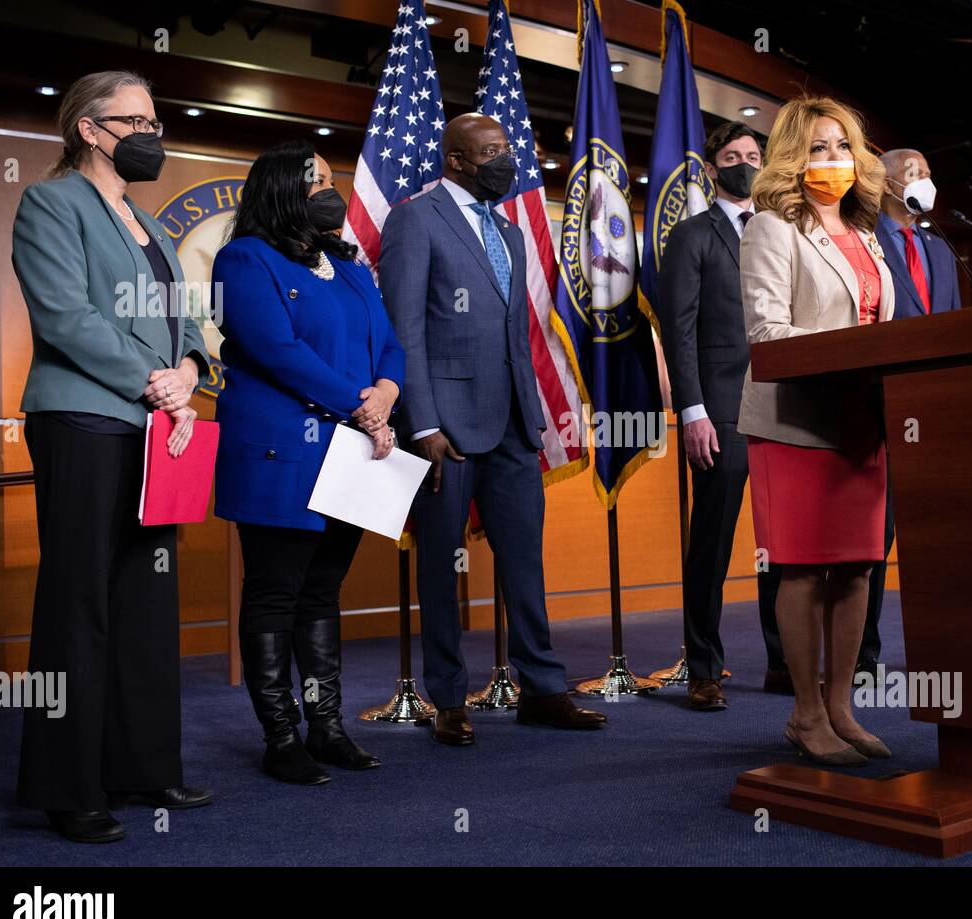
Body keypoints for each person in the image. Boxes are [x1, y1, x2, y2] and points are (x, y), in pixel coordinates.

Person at [11, 70, 212, 843]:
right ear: (89, 129)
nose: (150, 133)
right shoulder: (51, 203)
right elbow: (66, 315)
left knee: (143, 603)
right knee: (79, 606)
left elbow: (187, 324)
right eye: (134, 121)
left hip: (158, 431)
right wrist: (154, 382)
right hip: (85, 422)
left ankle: (143, 767)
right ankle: (70, 786)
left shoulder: (149, 222)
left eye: (155, 119)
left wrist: (189, 369)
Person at [378, 112, 607, 746]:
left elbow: (515, 334)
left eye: (507, 148)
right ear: (455, 159)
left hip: (513, 422)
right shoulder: (414, 219)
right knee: (440, 568)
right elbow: (405, 330)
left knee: (524, 562)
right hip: (444, 426)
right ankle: (448, 699)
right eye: (491, 152)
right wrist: (421, 419)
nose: (506, 161)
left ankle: (543, 688)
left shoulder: (508, 230)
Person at [212, 141, 404, 784]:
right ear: (277, 190)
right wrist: (361, 404)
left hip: (350, 450)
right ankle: (280, 736)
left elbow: (389, 343)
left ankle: (326, 728)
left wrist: (385, 391)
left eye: (330, 177)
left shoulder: (348, 265)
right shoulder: (245, 259)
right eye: (312, 180)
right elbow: (276, 350)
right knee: (275, 593)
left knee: (322, 595)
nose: (327, 188)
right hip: (279, 452)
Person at [739, 95, 895, 766]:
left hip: (864, 424)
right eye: (816, 148)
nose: (831, 160)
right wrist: (860, 353)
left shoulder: (868, 233)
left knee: (858, 570)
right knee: (803, 573)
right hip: (796, 423)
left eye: (841, 147)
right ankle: (804, 715)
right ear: (790, 159)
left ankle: (840, 709)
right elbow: (767, 332)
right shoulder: (772, 228)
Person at [658, 120, 790, 710]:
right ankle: (704, 669)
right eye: (733, 156)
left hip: (784, 407)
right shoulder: (692, 235)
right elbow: (678, 331)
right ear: (712, 169)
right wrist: (693, 412)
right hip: (721, 411)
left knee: (782, 544)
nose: (745, 164)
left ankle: (784, 661)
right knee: (712, 544)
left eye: (754, 155)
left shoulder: (784, 232)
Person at [856, 148, 963, 677]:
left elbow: (957, 325)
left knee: (942, 536)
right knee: (879, 535)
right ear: (888, 185)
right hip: (883, 406)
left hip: (938, 411)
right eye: (914, 173)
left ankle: (945, 646)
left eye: (928, 170)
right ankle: (863, 654)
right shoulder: (865, 239)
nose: (925, 181)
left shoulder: (941, 250)